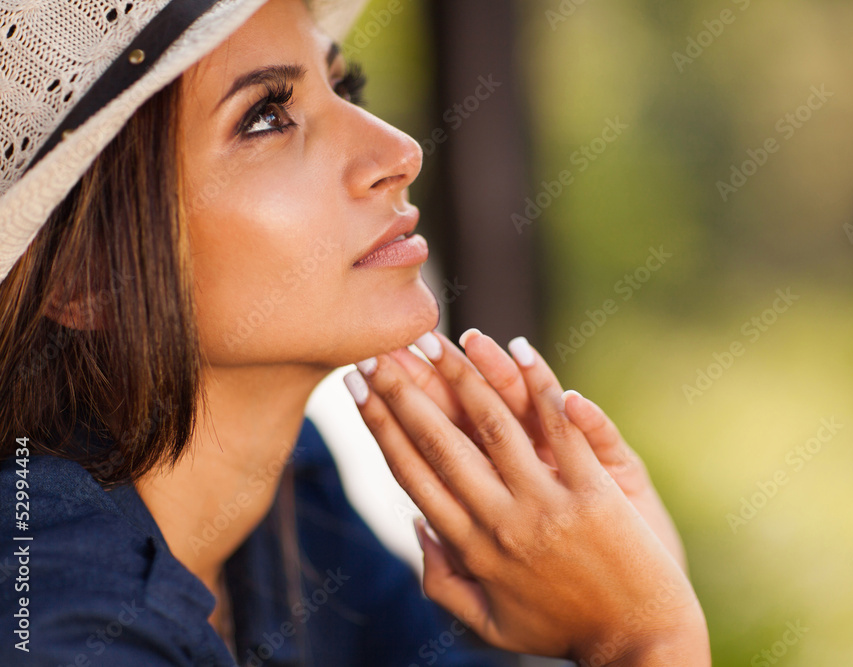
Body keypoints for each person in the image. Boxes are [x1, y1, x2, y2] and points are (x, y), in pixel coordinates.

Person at [0, 0, 711, 665]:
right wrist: (646, 635)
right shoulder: (61, 622)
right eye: (266, 116)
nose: (401, 153)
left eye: (342, 86)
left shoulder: (290, 485)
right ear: (82, 279)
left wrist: (614, 576)